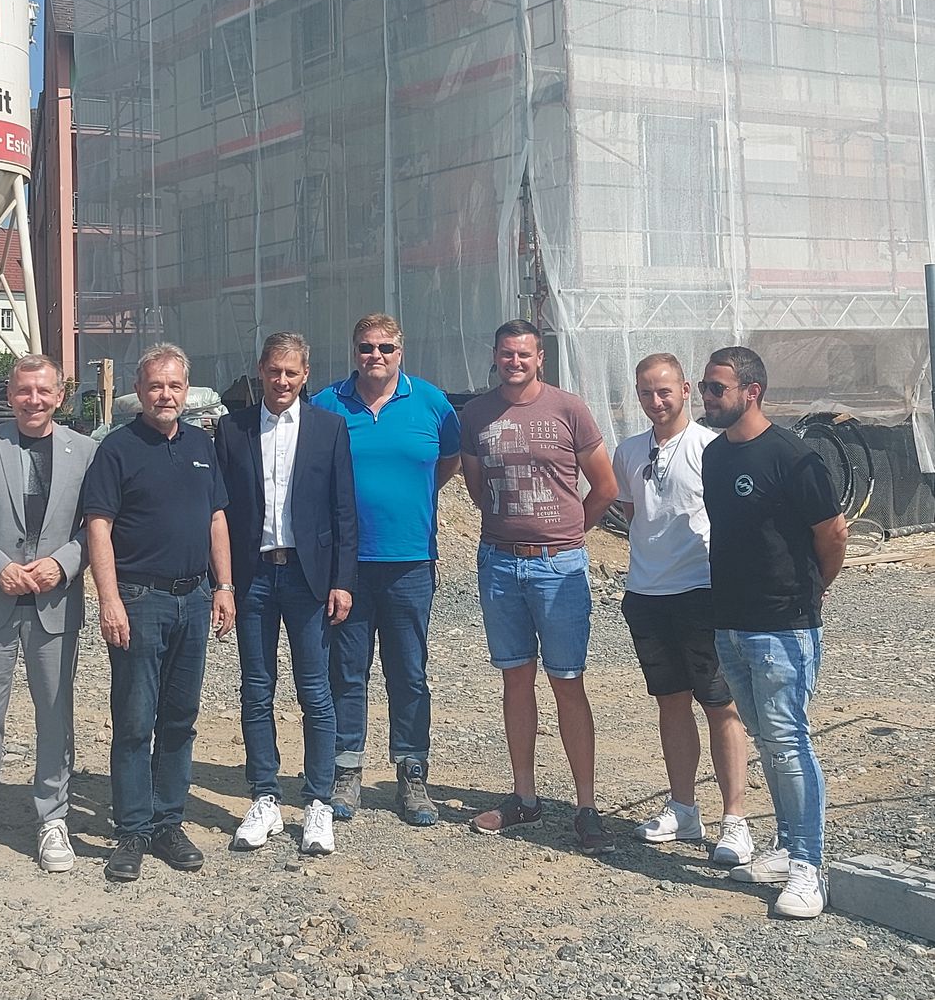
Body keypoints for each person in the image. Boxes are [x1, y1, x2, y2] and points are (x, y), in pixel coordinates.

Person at [459, 319, 619, 852]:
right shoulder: (478, 414)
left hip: (560, 567)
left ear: (539, 357)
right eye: (506, 354)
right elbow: (478, 487)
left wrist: (569, 532)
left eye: (524, 354)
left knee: (568, 681)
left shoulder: (568, 408)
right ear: (496, 356)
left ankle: (586, 806)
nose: (515, 362)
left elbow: (605, 485)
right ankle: (524, 798)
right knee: (515, 681)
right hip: (500, 564)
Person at [700, 346, 847, 920]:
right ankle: (786, 849)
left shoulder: (792, 456)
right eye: (705, 387)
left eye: (717, 389)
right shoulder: (714, 456)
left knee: (789, 743)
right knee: (765, 739)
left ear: (750, 392)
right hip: (731, 621)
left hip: (783, 625)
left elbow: (831, 534)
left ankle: (809, 865)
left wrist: (813, 591)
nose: (706, 398)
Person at [82, 343, 236, 882]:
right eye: (155, 386)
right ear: (139, 389)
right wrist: (109, 599)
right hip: (139, 600)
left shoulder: (201, 444)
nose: (165, 394)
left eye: (174, 385)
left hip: (194, 598)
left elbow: (217, 517)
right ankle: (132, 829)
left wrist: (225, 587)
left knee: (179, 718)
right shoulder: (117, 449)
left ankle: (169, 820)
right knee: (133, 719)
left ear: (185, 389)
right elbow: (97, 525)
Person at [0, 354, 95, 878]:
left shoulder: (84, 452)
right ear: (10, 396)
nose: (34, 400)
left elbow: (94, 527)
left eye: (43, 391)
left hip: (54, 605)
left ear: (60, 396)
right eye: (24, 391)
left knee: (55, 717)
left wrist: (63, 564)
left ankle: (53, 818)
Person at [311, 313, 460, 828]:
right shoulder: (327, 404)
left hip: (410, 561)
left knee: (408, 671)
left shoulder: (432, 403)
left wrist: (411, 500)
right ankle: (346, 767)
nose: (376, 356)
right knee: (347, 671)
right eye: (366, 347)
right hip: (347, 565)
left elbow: (447, 462)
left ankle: (411, 771)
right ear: (353, 351)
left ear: (402, 350)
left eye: (386, 348)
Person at [216, 332, 357, 856]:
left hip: (308, 577)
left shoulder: (329, 429)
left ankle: (317, 801)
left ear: (305, 375)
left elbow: (344, 510)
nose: (281, 381)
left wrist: (343, 580)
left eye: (291, 373)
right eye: (273, 371)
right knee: (256, 689)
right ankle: (266, 797)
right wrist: (223, 583)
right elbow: (222, 515)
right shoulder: (231, 430)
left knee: (315, 691)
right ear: (260, 371)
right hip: (254, 576)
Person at [613, 353, 752, 863]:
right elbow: (635, 514)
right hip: (647, 594)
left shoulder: (711, 448)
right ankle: (683, 807)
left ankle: (734, 818)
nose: (656, 400)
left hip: (702, 590)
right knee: (670, 701)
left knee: (721, 704)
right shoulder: (629, 452)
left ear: (686, 389)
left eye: (665, 390)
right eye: (647, 392)